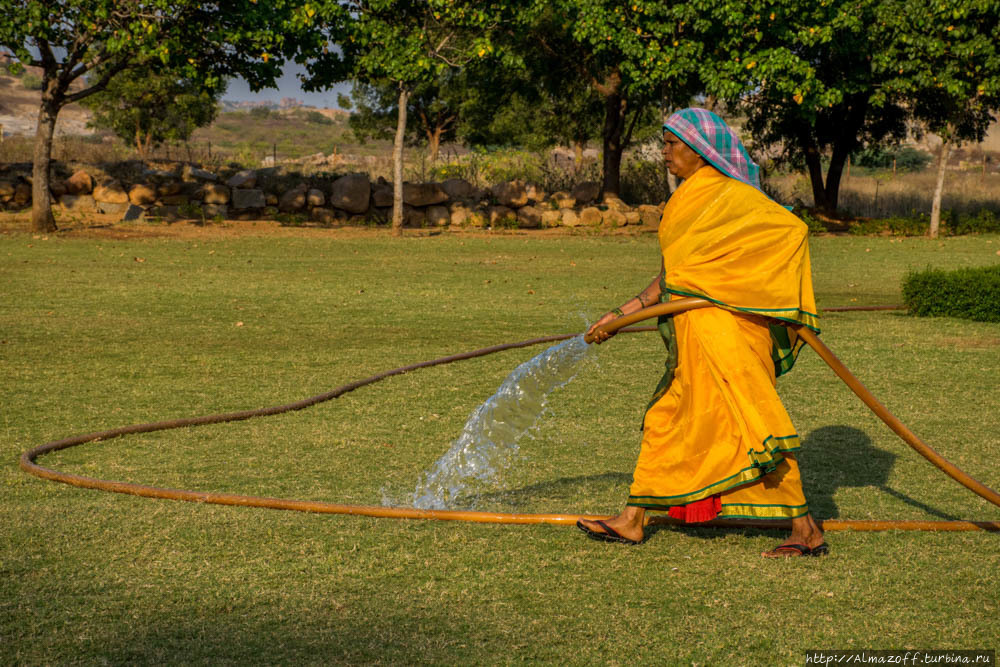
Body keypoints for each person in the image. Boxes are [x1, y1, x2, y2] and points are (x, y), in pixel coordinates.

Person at [577, 108, 827, 558]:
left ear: (699, 150)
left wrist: (725, 288)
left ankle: (806, 530)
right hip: (696, 333)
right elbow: (676, 274)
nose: (664, 153)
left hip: (729, 333)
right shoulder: (688, 198)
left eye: (673, 144)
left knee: (755, 427)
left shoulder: (732, 196)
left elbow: (791, 231)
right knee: (668, 418)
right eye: (666, 143)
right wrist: (625, 312)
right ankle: (632, 520)